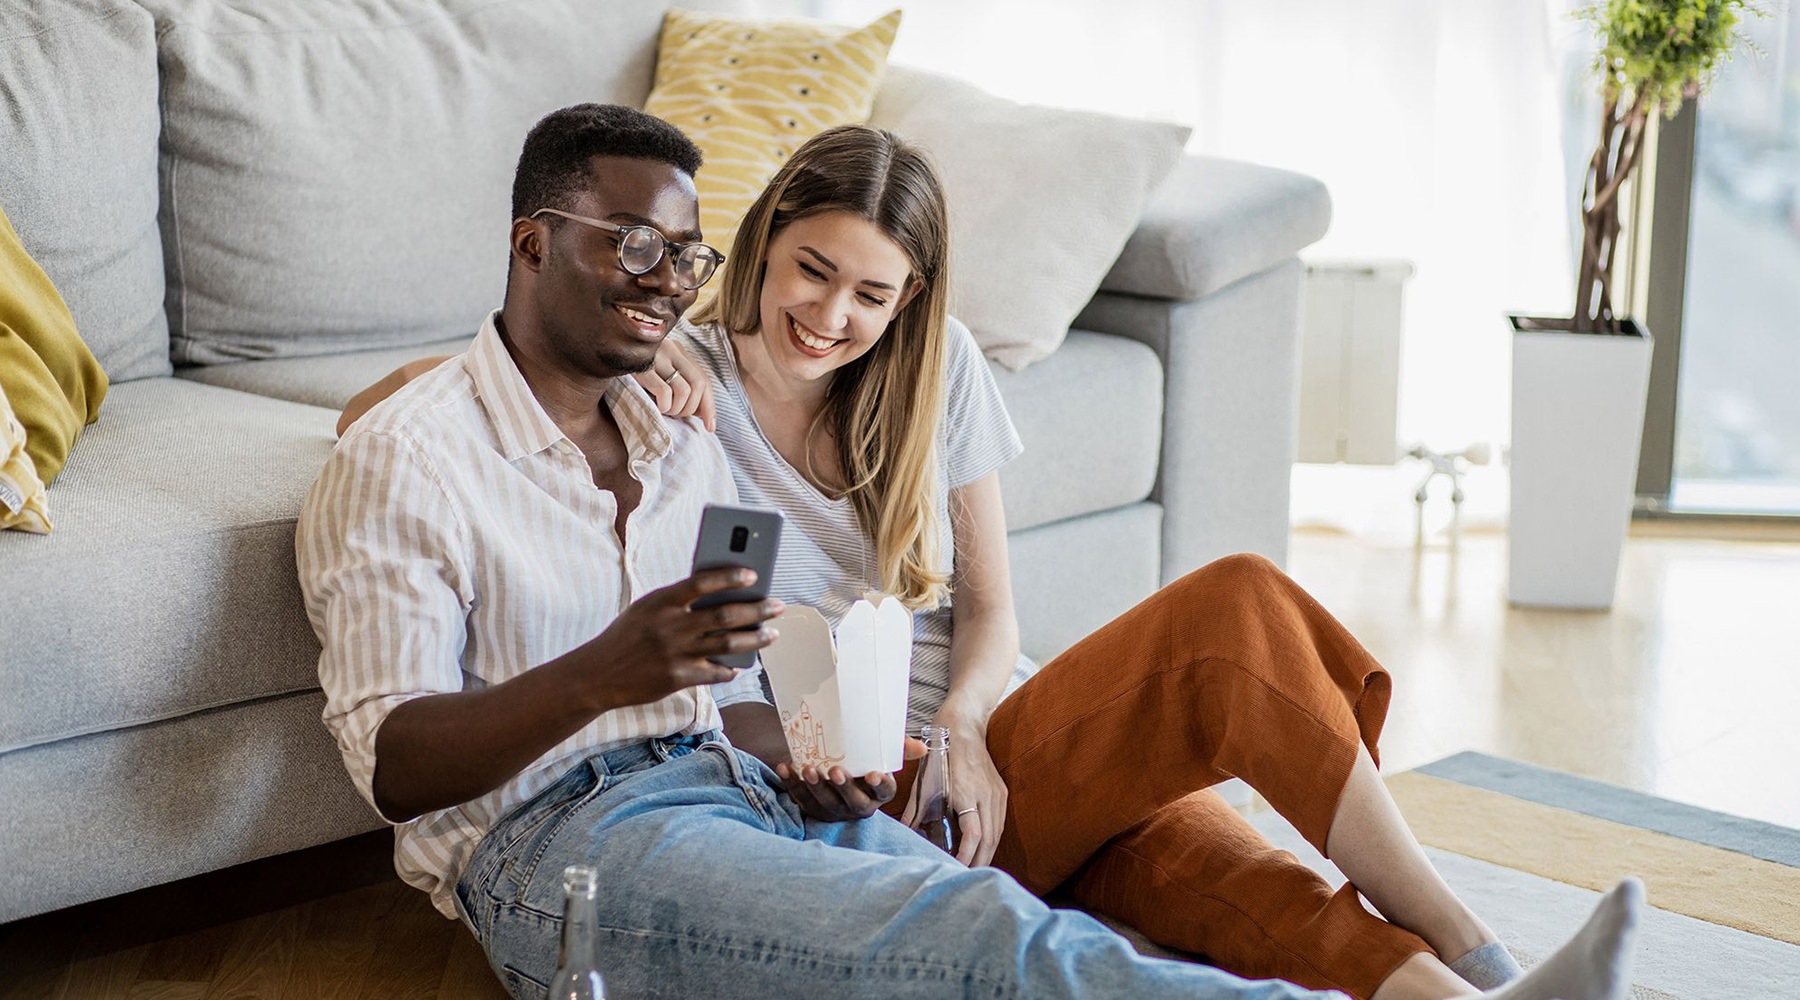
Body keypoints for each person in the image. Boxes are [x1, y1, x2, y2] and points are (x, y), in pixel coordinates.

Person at [313, 105, 1642, 1000]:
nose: (831, 314)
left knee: (1185, 852)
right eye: (809, 270)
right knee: (1014, 916)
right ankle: (1470, 954)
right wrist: (625, 375)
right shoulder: (666, 381)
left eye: (872, 295)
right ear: (766, 246)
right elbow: (460, 405)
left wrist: (950, 725)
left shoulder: (878, 381)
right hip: (698, 796)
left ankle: (1469, 982)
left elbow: (978, 619)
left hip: (880, 751)